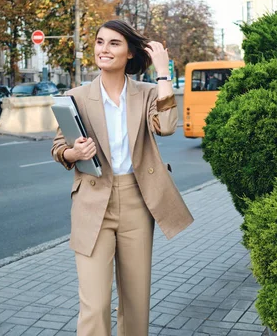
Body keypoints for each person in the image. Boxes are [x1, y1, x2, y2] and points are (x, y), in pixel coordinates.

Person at [51, 19, 194, 335]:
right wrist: (75, 153)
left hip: (137, 201)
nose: (104, 49)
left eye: (114, 43)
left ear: (130, 52)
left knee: (135, 301)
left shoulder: (146, 94)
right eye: (100, 41)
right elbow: (59, 148)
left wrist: (162, 72)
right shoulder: (75, 96)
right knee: (95, 305)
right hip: (91, 201)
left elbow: (167, 126)